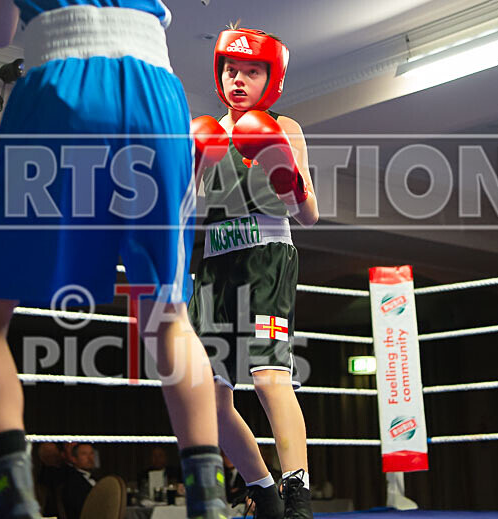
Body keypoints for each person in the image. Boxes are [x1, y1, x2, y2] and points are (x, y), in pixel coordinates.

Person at [0, 2, 226, 519]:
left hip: (59, 81)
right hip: (158, 96)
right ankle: (209, 506)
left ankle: (17, 506)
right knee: (169, 317)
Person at [188, 26, 319, 519]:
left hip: (267, 258)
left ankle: (298, 496)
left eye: (251, 71)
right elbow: (182, 208)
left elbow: (308, 216)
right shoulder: (207, 132)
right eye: (230, 69)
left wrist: (286, 176)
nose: (238, 79)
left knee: (267, 378)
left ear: (272, 78)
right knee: (211, 399)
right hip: (217, 269)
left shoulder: (284, 128)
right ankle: (262, 490)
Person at [61, 443, 96, 519]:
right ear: (74, 459)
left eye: (91, 453)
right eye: (84, 454)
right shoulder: (71, 483)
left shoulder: (98, 479)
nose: (90, 458)